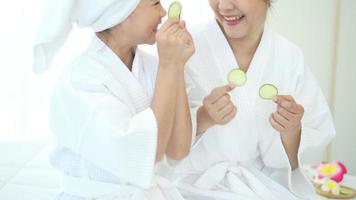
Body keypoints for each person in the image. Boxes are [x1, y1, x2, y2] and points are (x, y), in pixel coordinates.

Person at [172, 0, 336, 199]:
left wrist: (292, 130)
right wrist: (203, 118)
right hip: (189, 189)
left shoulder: (289, 57)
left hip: (262, 187)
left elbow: (294, 161)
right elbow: (160, 142)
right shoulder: (182, 48)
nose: (223, 6)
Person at [32, 0, 195, 199]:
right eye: (155, 3)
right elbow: (150, 152)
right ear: (120, 12)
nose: (163, 12)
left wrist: (176, 65)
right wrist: (169, 66)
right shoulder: (80, 81)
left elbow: (178, 150)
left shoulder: (155, 67)